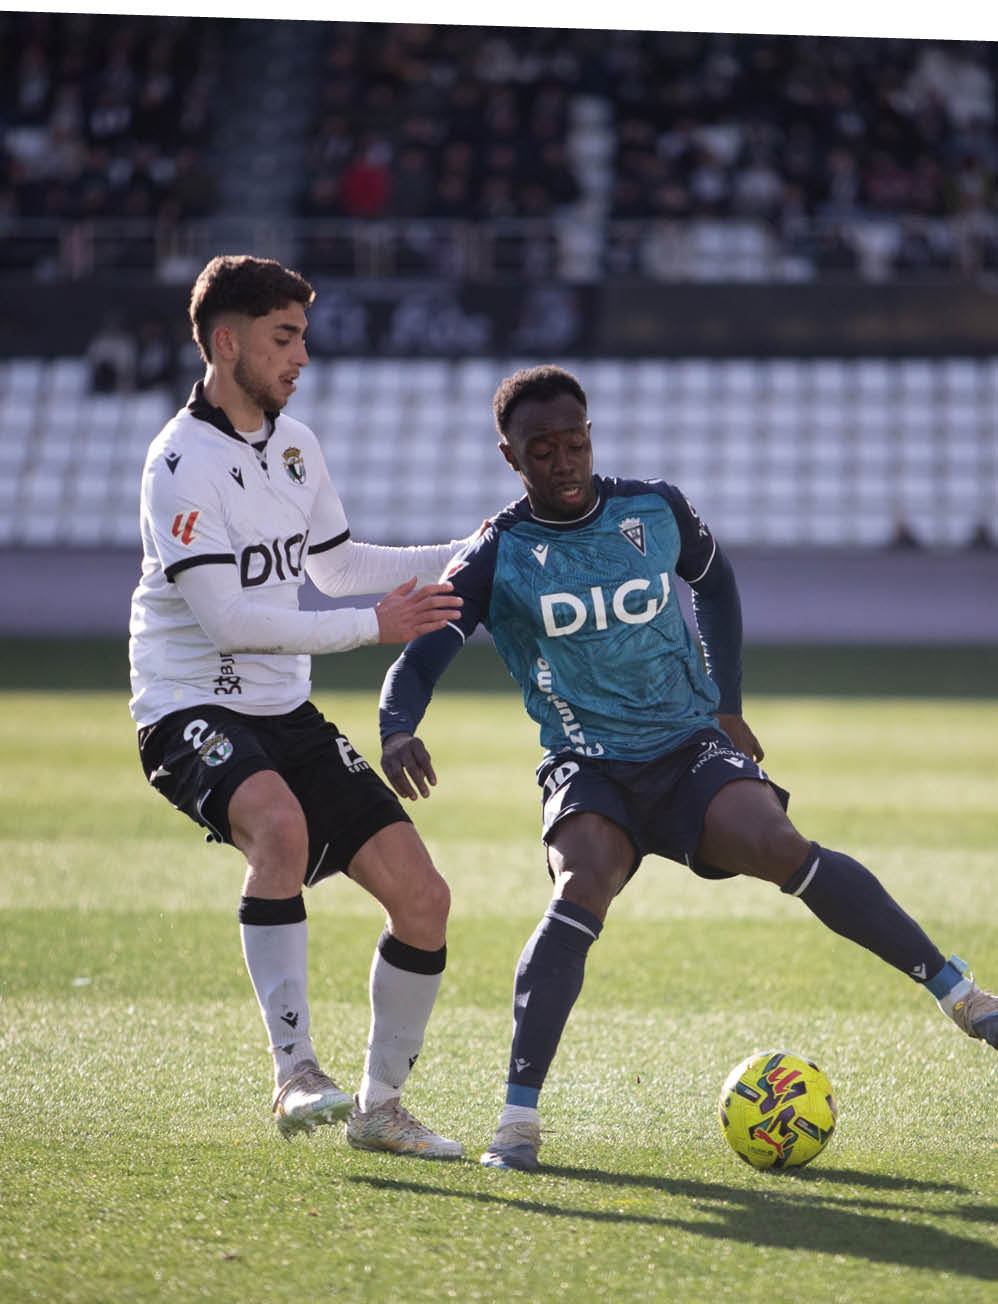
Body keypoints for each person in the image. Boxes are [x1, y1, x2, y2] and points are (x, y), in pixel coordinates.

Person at [378, 363, 998, 1173]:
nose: (564, 462)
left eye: (575, 442)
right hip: (587, 763)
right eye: (542, 451)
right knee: (580, 885)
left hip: (686, 744)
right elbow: (424, 648)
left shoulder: (654, 509)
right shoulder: (500, 553)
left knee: (779, 843)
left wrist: (729, 701)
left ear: (590, 435)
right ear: (511, 456)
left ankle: (961, 994)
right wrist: (397, 727)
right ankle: (517, 1124)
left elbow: (718, 585)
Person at [128, 253, 473, 1159]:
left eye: (304, 338)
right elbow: (230, 621)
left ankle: (380, 1109)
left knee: (425, 900)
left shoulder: (295, 445)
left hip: (286, 710)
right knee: (276, 827)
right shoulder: (176, 465)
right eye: (285, 339)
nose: (302, 358)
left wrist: (466, 552)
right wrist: (376, 628)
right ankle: (294, 1075)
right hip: (187, 704)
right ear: (226, 341)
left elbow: (336, 566)